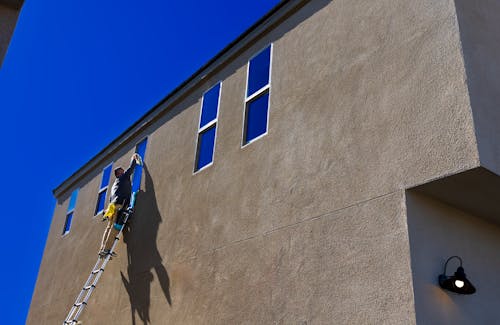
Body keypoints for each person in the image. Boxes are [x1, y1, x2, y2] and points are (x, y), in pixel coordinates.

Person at [99, 153, 142, 257]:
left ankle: (102, 249)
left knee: (109, 227)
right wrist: (134, 158)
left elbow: (111, 198)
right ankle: (106, 249)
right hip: (118, 205)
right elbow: (131, 169)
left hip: (112, 207)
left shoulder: (116, 184)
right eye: (122, 171)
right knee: (114, 227)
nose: (124, 172)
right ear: (119, 174)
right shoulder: (122, 178)